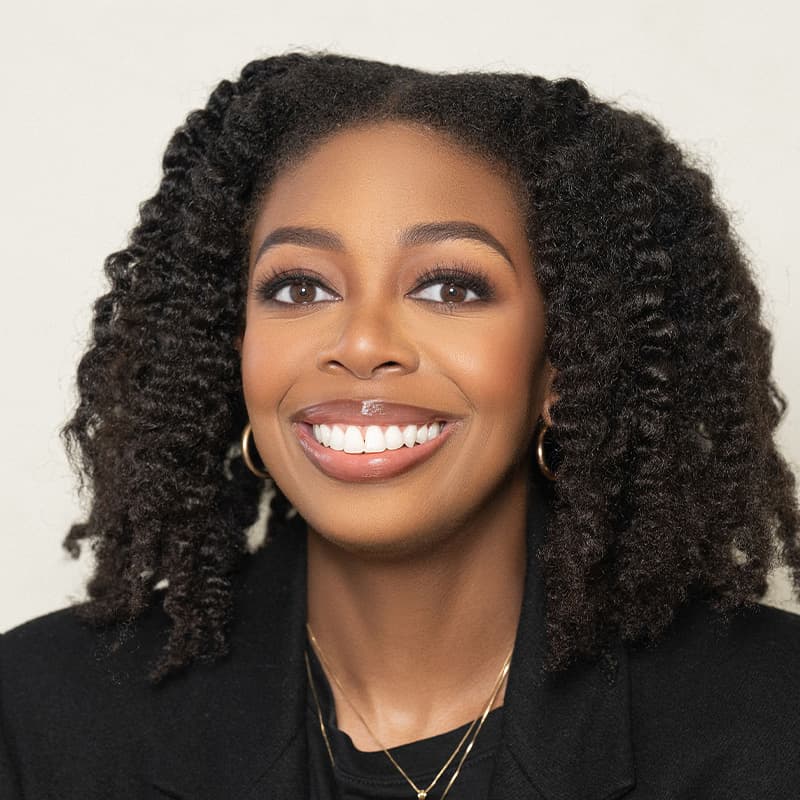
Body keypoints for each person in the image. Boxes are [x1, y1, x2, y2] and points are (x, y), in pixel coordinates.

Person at [1, 50, 799, 800]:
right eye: (300, 288)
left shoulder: (771, 720)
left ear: (568, 360)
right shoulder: (40, 717)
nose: (361, 344)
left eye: (450, 288)